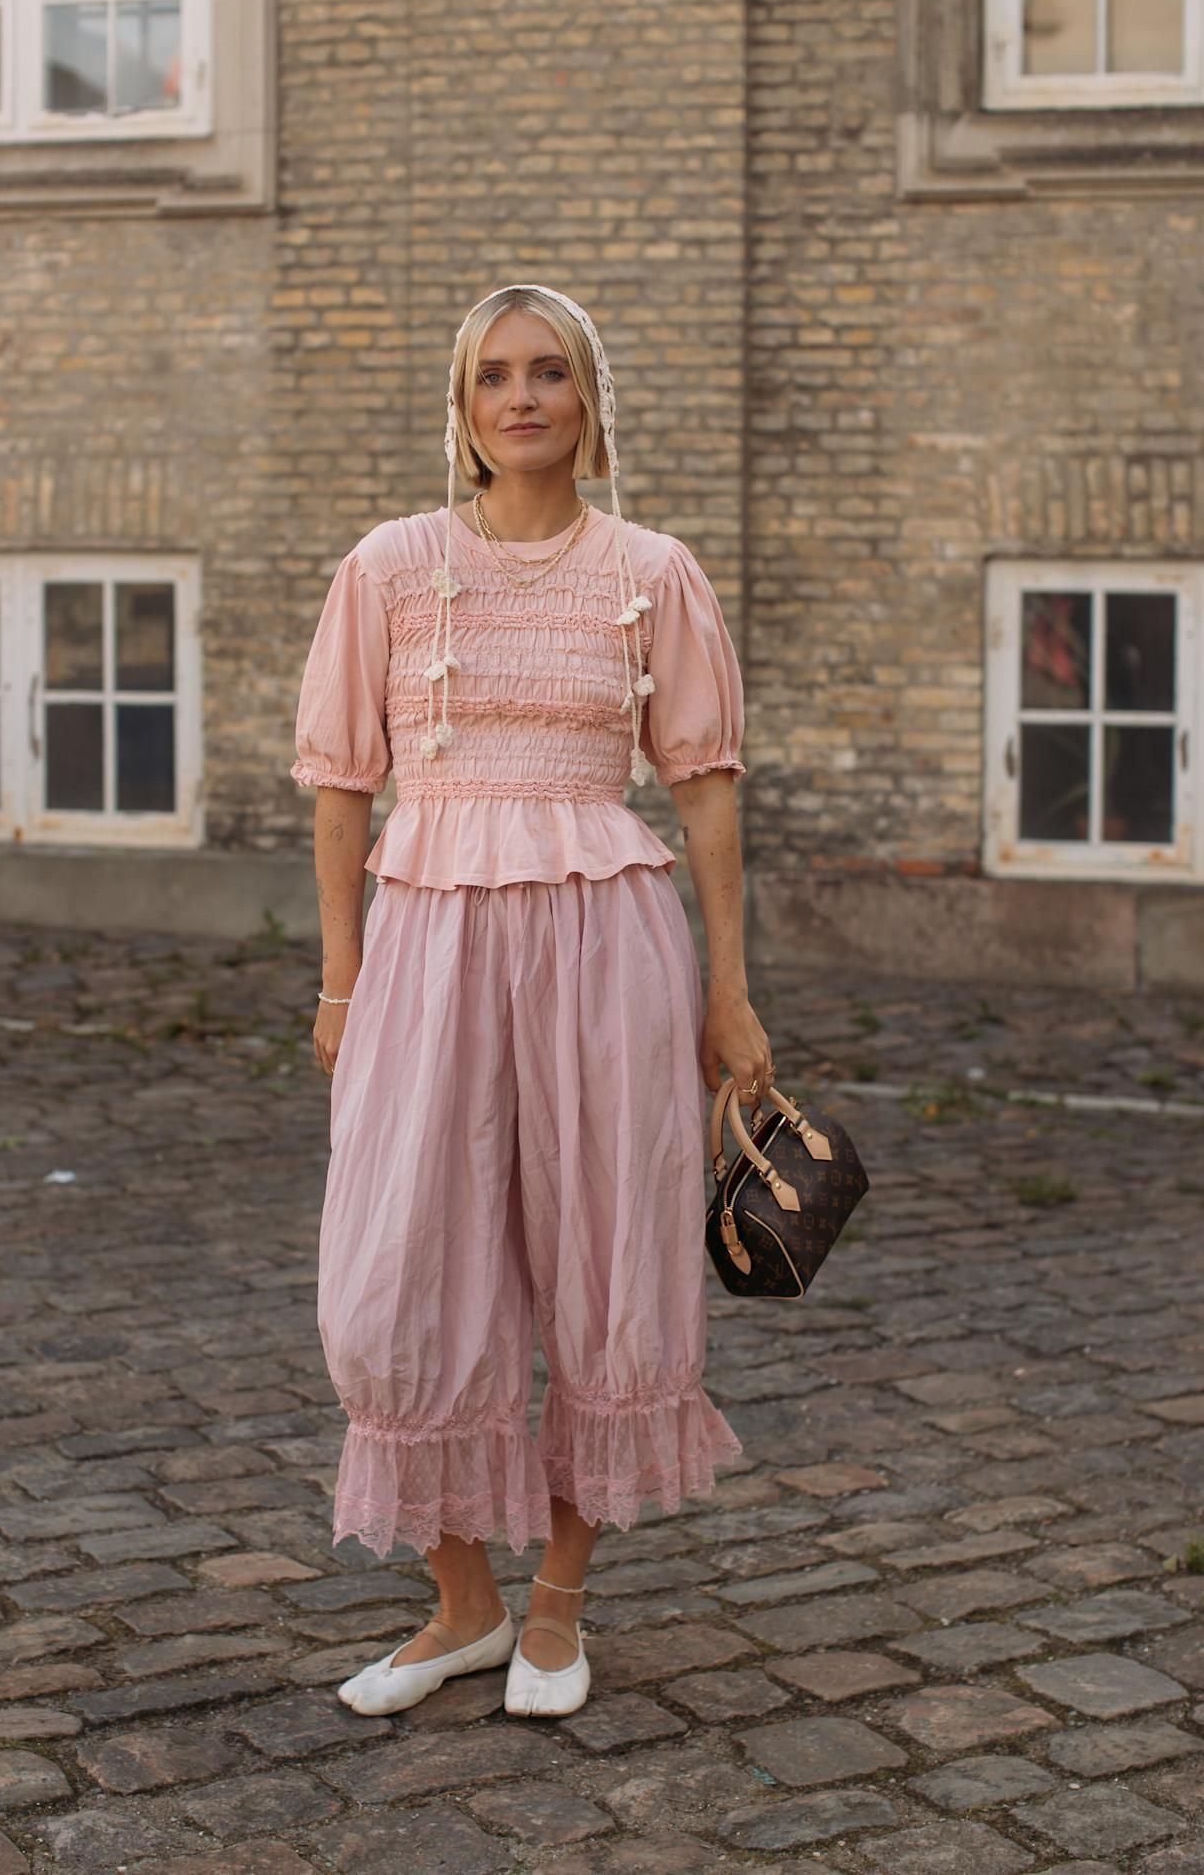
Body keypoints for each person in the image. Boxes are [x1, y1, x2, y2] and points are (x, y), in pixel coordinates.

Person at [291, 283, 773, 1719]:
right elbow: (337, 782)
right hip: (424, 946)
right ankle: (461, 1606)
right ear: (461, 409)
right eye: (493, 376)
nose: (521, 399)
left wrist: (732, 996)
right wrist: (338, 980)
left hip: (605, 939)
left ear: (589, 402)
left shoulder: (652, 569)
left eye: (548, 373)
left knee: (608, 1261)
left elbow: (706, 791)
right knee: (389, 1283)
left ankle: (556, 1606)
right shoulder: (387, 569)